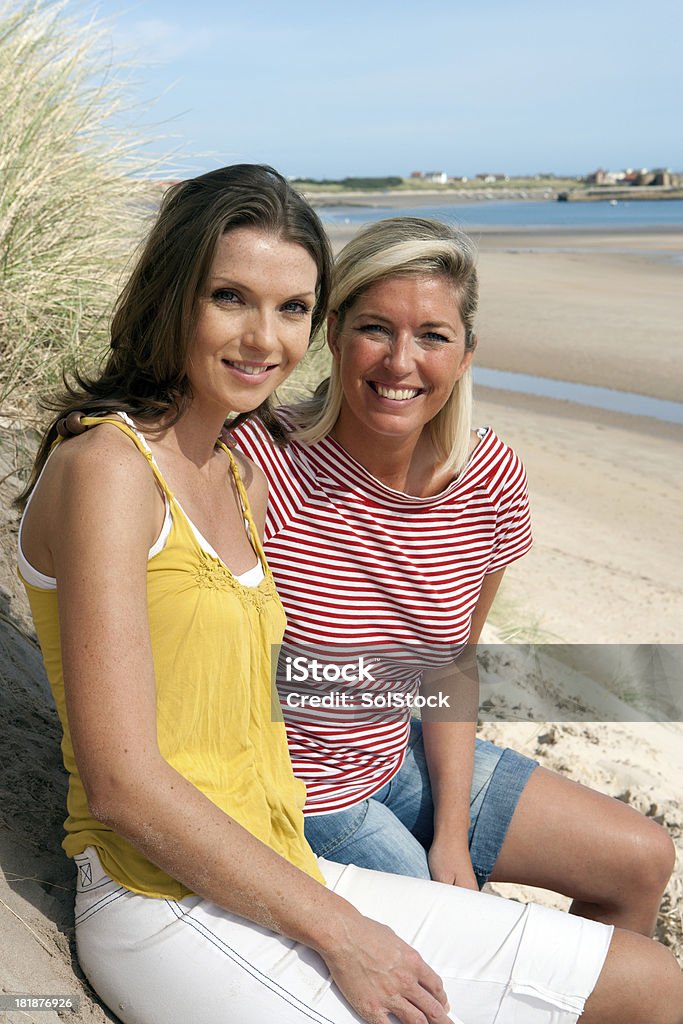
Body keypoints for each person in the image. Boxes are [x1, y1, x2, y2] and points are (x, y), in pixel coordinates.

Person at [17, 166, 682, 1024]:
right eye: (230, 298)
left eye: (289, 308)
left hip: (313, 817)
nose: (263, 339)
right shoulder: (181, 462)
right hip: (201, 871)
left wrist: (440, 832)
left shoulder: (228, 464)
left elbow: (442, 667)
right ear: (172, 295)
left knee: (647, 941)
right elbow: (124, 782)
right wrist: (346, 928)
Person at [230, 216, 676, 938]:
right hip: (301, 793)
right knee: (470, 945)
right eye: (375, 329)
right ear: (334, 332)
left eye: (432, 336)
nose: (400, 362)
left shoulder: (490, 476)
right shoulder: (261, 459)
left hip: (396, 753)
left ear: (466, 353)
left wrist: (449, 834)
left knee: (640, 859)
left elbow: (448, 663)